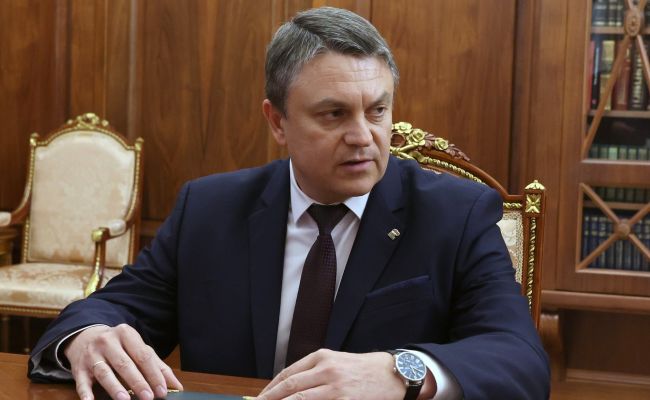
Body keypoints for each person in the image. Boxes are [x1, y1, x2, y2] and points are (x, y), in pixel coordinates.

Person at [28, 6, 550, 400]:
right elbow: (105, 310)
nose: (363, 136)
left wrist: (402, 372)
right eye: (334, 114)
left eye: (377, 110)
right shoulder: (209, 209)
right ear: (277, 121)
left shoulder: (456, 214)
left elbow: (519, 360)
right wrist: (88, 336)